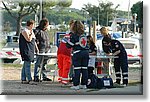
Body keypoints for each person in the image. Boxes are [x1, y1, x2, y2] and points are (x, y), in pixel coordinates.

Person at [66, 20, 89, 90]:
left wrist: (67, 42)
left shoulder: (74, 35)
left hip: (78, 53)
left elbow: (69, 45)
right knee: (85, 69)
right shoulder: (84, 34)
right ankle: (84, 84)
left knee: (77, 69)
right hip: (86, 53)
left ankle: (76, 84)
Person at [19, 19, 39, 84]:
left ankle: (23, 78)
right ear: (31, 25)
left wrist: (36, 48)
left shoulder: (31, 32)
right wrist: (30, 33)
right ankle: (29, 79)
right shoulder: (25, 31)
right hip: (26, 49)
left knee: (25, 65)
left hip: (31, 49)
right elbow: (28, 39)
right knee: (27, 65)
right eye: (33, 25)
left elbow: (34, 41)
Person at [57, 20, 74, 84]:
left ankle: (61, 78)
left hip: (60, 51)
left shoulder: (66, 33)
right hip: (66, 52)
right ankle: (64, 80)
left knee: (61, 66)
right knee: (66, 66)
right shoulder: (73, 34)